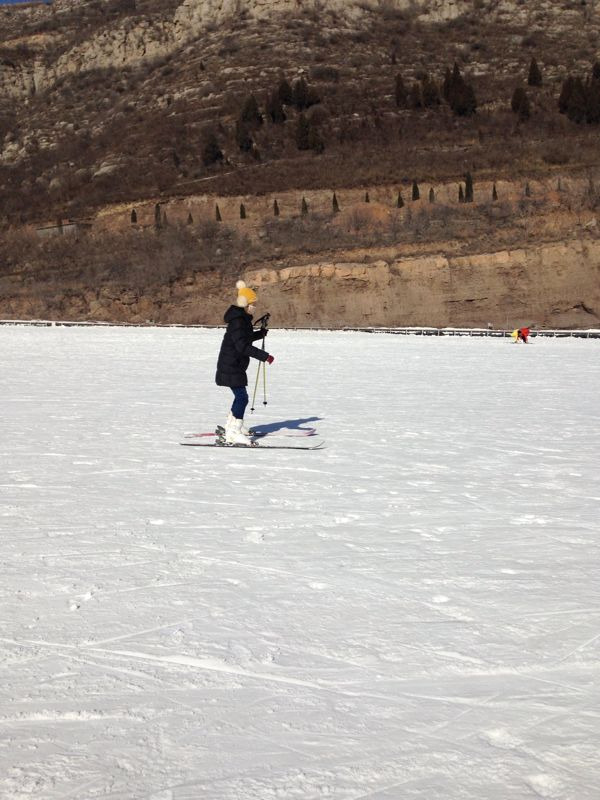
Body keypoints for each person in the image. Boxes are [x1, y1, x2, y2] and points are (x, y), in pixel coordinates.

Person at [215, 280, 274, 445]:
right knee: (242, 397)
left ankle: (232, 425)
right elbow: (242, 346)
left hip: (234, 364)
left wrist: (260, 334)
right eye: (252, 304)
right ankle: (233, 431)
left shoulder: (241, 319)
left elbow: (243, 338)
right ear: (244, 303)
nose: (254, 307)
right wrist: (265, 356)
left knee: (240, 396)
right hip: (231, 365)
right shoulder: (238, 321)